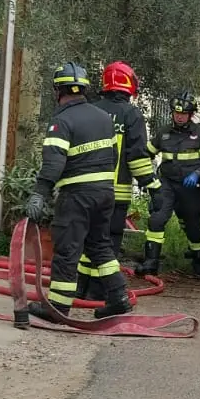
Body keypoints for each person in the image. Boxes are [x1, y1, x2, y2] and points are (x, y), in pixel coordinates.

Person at [24, 62, 131, 320]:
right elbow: (114, 155)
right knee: (100, 246)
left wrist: (40, 194)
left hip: (77, 195)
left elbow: (53, 163)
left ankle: (58, 307)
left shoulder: (61, 121)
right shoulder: (104, 119)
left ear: (58, 90)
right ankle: (119, 298)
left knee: (67, 250)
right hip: (106, 193)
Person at [81, 60, 157, 296]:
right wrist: (154, 186)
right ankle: (98, 292)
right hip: (115, 195)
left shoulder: (90, 110)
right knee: (108, 243)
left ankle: (79, 289)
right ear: (130, 84)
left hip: (84, 191)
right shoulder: (131, 114)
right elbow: (137, 158)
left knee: (86, 241)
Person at [139, 90, 200, 276]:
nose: (179, 117)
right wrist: (147, 177)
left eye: (183, 114)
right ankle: (151, 262)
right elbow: (145, 155)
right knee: (157, 219)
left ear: (190, 115)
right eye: (176, 113)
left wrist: (197, 174)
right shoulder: (163, 133)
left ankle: (199, 261)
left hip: (190, 188)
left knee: (193, 227)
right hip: (166, 183)